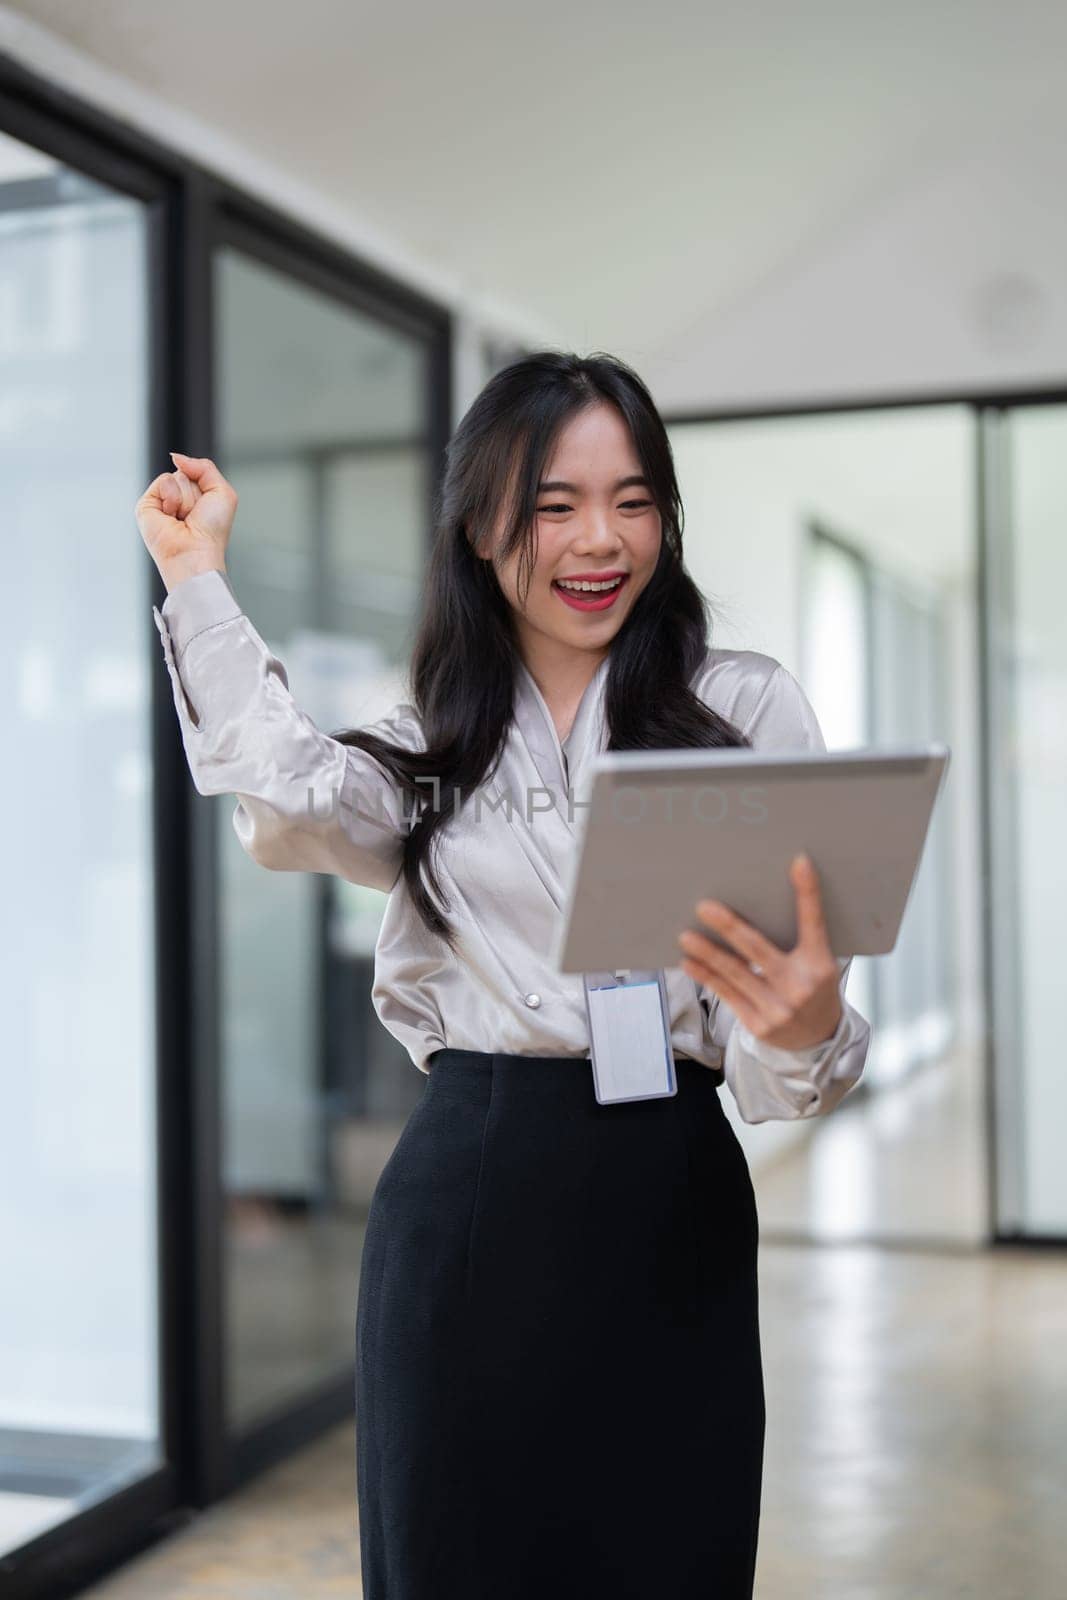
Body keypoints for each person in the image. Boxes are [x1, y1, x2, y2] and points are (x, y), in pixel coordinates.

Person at [137, 350, 870, 1600]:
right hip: (471, 1193)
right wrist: (198, 580)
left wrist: (805, 1027)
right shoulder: (426, 721)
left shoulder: (740, 709)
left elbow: (778, 1061)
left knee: (668, 1555)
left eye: (633, 501)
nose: (601, 540)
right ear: (481, 524)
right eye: (554, 504)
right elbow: (284, 800)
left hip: (673, 1190)